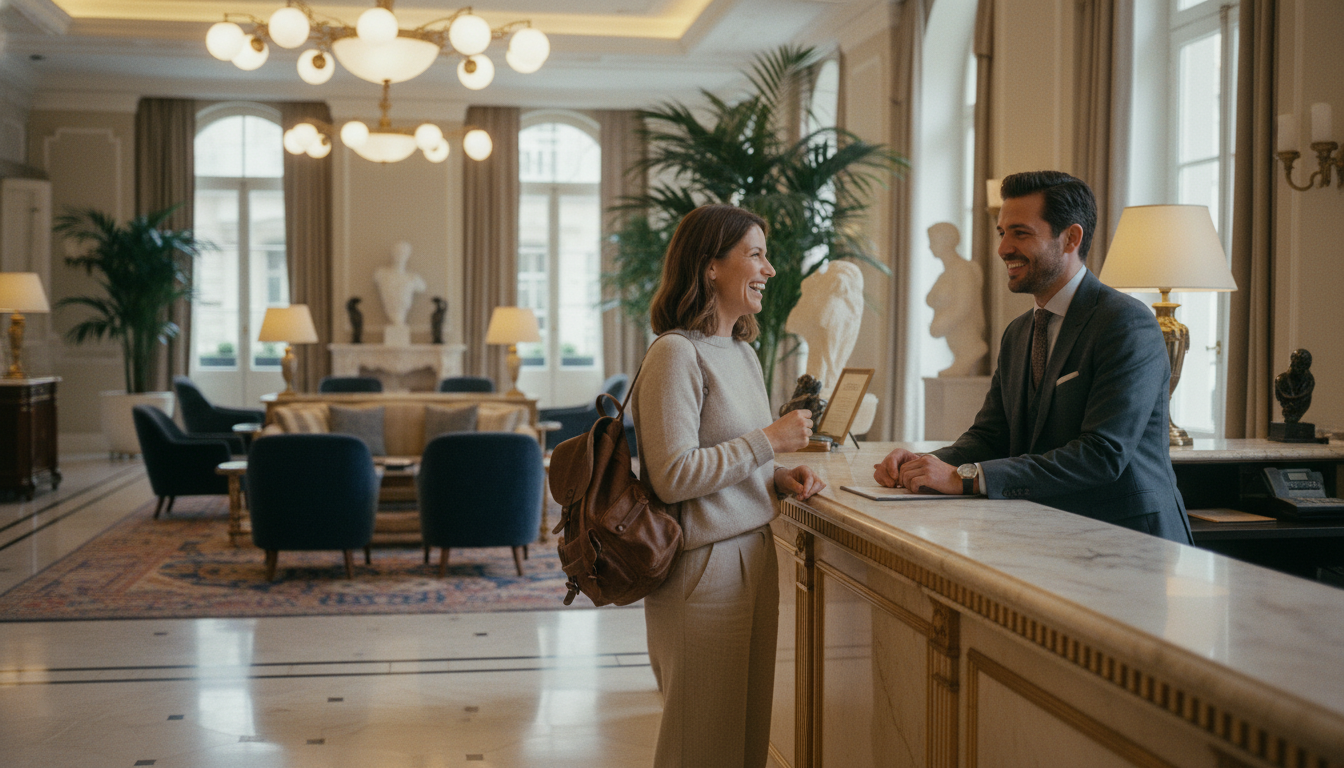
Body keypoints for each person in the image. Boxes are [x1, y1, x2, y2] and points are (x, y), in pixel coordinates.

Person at [874, 171, 1192, 544]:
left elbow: (1101, 454)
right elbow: (991, 436)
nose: (1003, 248)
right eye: (1002, 232)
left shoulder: (1126, 323)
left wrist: (967, 477)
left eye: (1020, 233)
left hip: (1132, 542)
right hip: (1049, 536)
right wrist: (924, 464)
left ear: (1071, 237)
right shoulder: (1019, 332)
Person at [632, 204, 826, 768]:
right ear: (711, 267)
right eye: (756, 255)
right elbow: (674, 475)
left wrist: (778, 477)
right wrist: (770, 441)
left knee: (744, 742)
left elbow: (731, 458)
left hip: (754, 554)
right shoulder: (675, 353)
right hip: (701, 567)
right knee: (700, 745)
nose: (769, 269)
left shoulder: (742, 352)